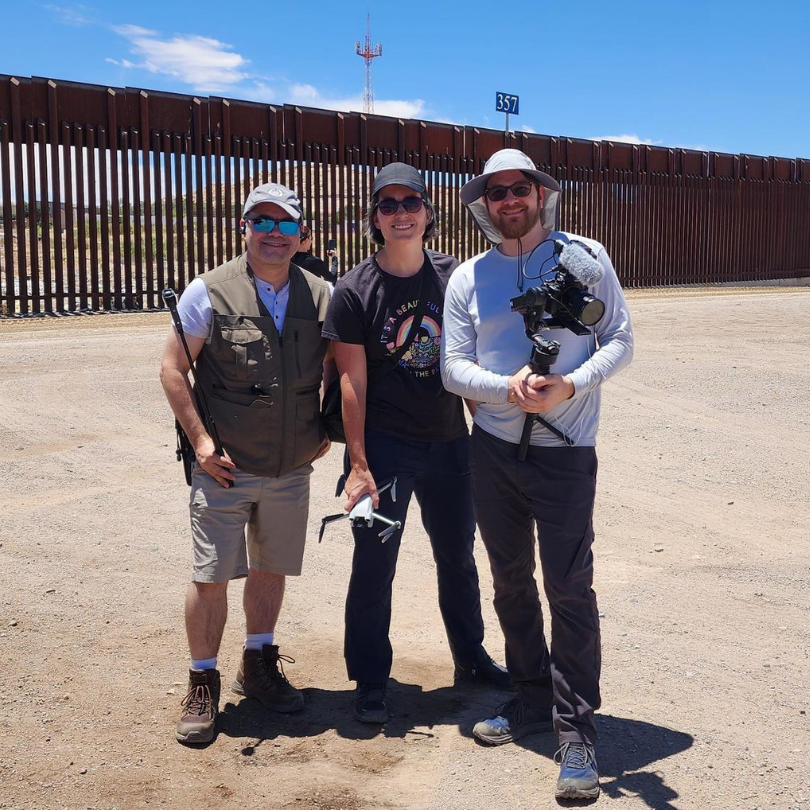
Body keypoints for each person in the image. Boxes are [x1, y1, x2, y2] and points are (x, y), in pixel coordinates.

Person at [440, 149, 634, 799]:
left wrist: (570, 384)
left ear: (540, 193)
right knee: (510, 583)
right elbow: (452, 367)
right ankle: (529, 697)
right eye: (496, 193)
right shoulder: (469, 277)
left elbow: (621, 340)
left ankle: (576, 728)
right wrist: (509, 387)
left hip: (566, 454)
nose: (508, 200)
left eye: (519, 188)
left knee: (569, 588)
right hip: (493, 452)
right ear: (484, 204)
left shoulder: (587, 256)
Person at [322, 162, 510, 724]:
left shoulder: (454, 278)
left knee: (458, 556)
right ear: (374, 218)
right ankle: (371, 678)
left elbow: (468, 362)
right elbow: (352, 380)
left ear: (428, 213)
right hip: (387, 450)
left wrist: (488, 438)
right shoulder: (354, 292)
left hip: (451, 445)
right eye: (388, 205)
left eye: (410, 203)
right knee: (375, 563)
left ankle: (470, 657)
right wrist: (358, 466)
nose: (400, 214)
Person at [160, 182, 333, 745]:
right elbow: (172, 369)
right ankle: (202, 680)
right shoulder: (207, 292)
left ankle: (258, 664)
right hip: (225, 468)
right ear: (244, 228)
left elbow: (341, 369)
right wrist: (202, 444)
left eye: (286, 224)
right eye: (262, 221)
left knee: (271, 568)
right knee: (211, 576)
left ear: (301, 235)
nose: (274, 234)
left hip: (290, 467)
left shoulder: (322, 294)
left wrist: (325, 430)